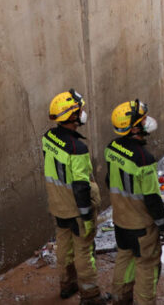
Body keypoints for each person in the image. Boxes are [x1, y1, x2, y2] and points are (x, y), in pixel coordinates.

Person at [42, 90, 106, 305]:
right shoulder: (77, 148)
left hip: (57, 205)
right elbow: (80, 184)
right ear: (71, 116)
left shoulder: (48, 138)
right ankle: (90, 296)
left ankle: (66, 285)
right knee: (84, 252)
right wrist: (87, 214)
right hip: (77, 208)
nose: (83, 113)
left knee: (63, 247)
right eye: (79, 110)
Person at [105, 100, 164, 305]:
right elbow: (152, 198)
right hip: (141, 226)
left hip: (120, 220)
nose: (147, 122)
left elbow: (109, 180)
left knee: (124, 258)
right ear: (134, 128)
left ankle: (119, 298)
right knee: (147, 266)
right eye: (142, 120)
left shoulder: (112, 148)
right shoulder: (144, 159)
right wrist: (163, 226)